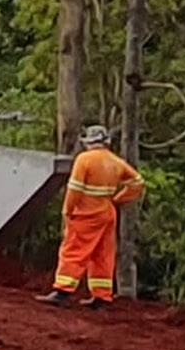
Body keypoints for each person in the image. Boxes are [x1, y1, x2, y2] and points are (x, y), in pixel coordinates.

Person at [45, 123, 145, 305]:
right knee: (103, 254)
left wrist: (67, 210)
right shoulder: (115, 161)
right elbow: (137, 182)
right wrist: (118, 199)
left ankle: (62, 291)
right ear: (106, 141)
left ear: (88, 142)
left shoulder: (84, 160)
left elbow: (74, 189)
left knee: (74, 250)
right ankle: (102, 295)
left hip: (86, 213)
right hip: (107, 212)